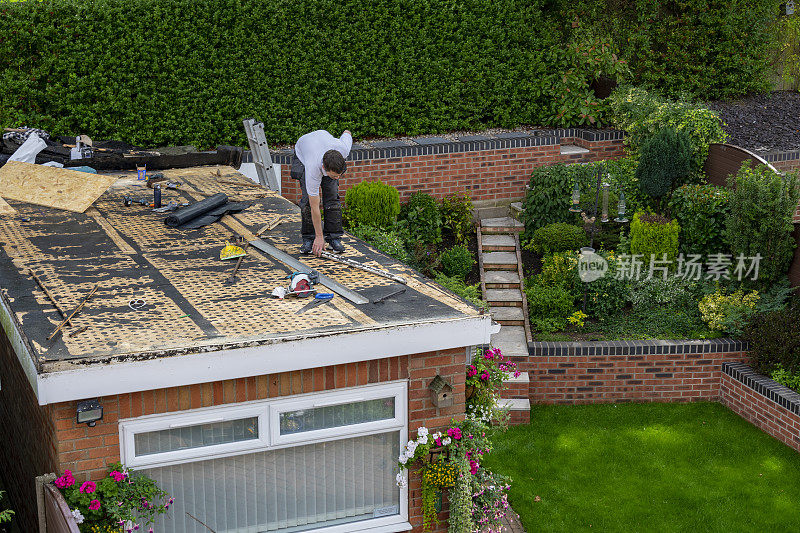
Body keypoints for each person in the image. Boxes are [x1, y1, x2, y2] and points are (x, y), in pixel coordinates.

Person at [291, 129, 352, 256]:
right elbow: (315, 206)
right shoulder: (312, 167)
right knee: (308, 202)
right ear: (324, 168)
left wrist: (347, 132)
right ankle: (309, 238)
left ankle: (334, 238)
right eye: (335, 176)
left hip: (323, 144)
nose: (338, 178)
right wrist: (319, 237)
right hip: (304, 151)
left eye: (339, 175)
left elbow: (347, 132)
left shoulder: (343, 149)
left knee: (332, 197)